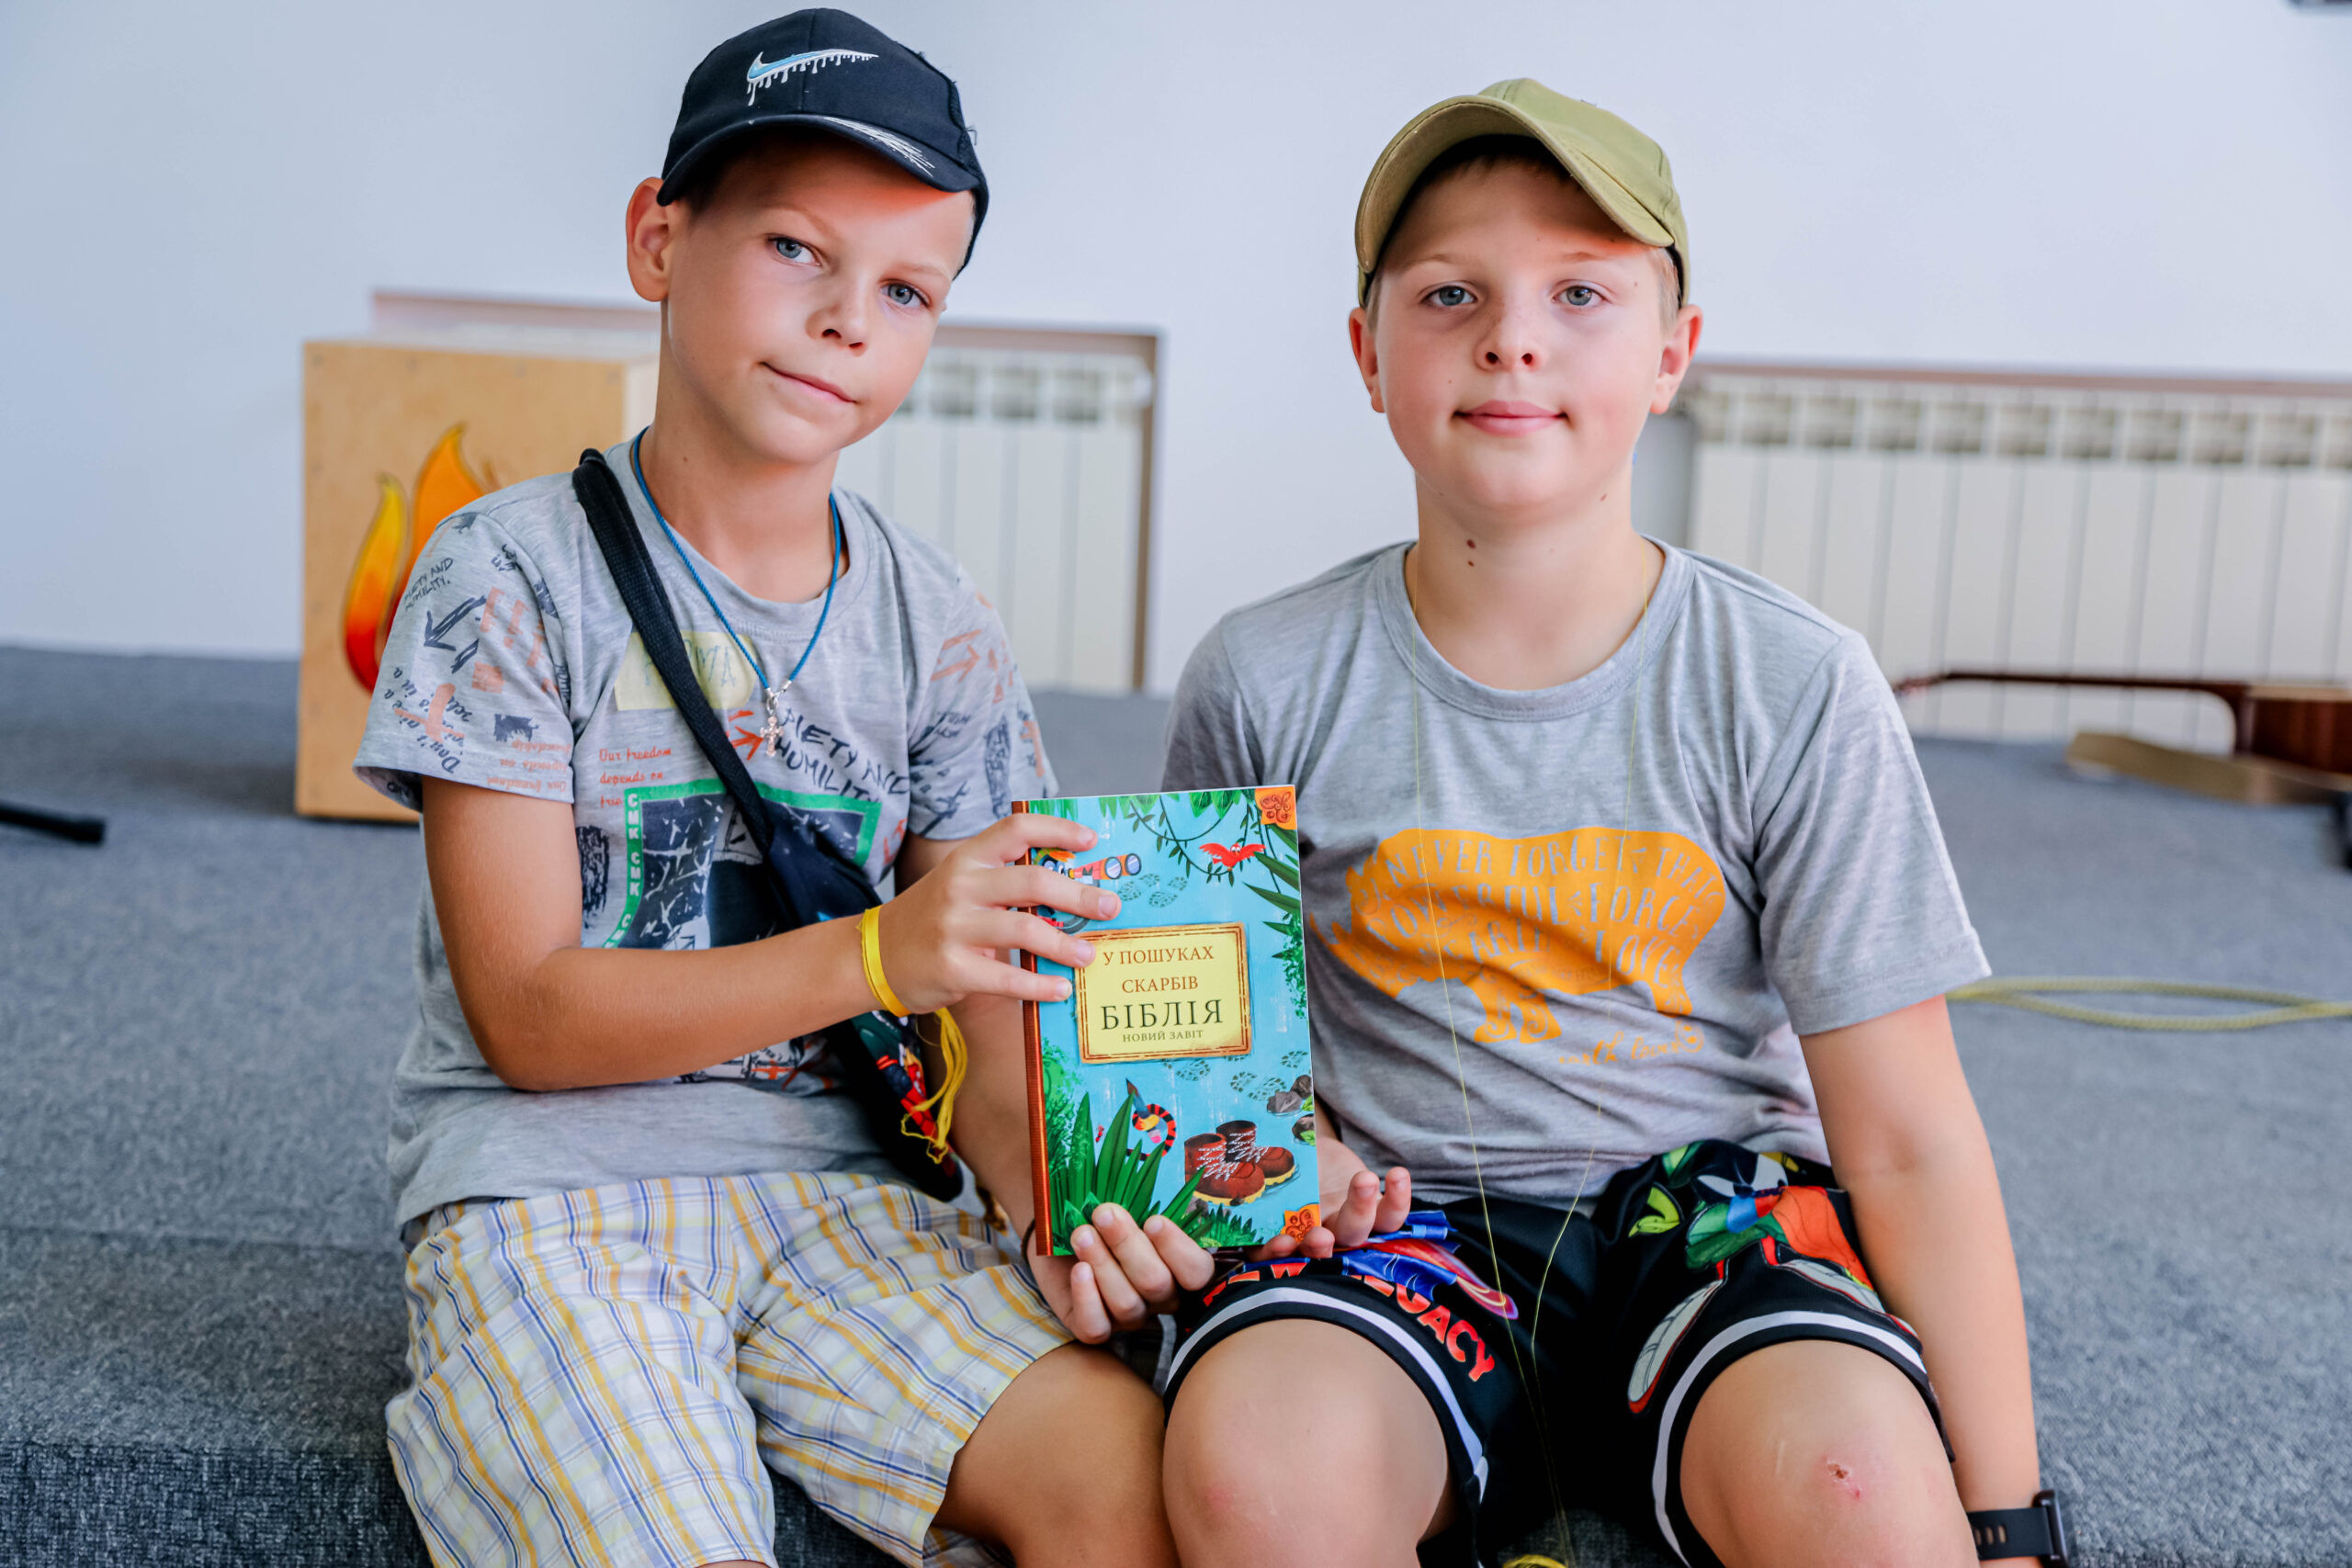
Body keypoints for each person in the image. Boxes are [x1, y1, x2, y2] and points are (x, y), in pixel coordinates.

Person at [1153, 82, 2052, 1568]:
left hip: (1712, 1208)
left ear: (1672, 355)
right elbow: (1198, 1055)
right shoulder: (1262, 675)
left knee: (1862, 1501)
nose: (1515, 337)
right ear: (1369, 353)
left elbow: (1906, 1138)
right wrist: (1276, 1152)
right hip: (1397, 1219)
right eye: (1453, 294)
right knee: (1253, 1480)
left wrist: (2006, 1514)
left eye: (1582, 292)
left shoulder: (1793, 684)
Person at [354, 12, 1202, 1565]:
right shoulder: (505, 573)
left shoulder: (936, 621)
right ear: (658, 241)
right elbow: (530, 1019)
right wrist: (885, 951)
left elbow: (995, 1017)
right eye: (798, 250)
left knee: (1149, 1496)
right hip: (557, 1200)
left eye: (904, 290)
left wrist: (1043, 1211)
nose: (845, 321)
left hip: (854, 1199)